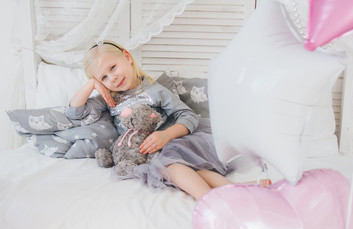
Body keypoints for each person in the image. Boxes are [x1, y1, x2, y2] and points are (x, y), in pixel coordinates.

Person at [66, 40, 270, 201]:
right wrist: (92, 85)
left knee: (178, 166)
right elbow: (74, 113)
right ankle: (234, 191)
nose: (112, 78)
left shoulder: (156, 91)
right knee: (187, 170)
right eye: (103, 77)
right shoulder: (109, 99)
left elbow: (188, 115)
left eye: (113, 67)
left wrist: (166, 135)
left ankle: (210, 200)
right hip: (142, 154)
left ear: (127, 57)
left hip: (169, 143)